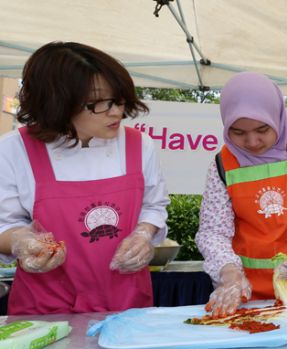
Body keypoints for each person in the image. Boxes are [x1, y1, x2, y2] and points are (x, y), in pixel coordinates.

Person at [0, 42, 169, 314]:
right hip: (45, 310)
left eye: (119, 99)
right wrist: (22, 241)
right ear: (57, 102)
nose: (117, 112)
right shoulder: (12, 150)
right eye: (99, 103)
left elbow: (154, 205)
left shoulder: (140, 145)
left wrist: (143, 234)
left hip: (125, 306)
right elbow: (3, 225)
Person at [195, 72, 287, 315]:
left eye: (262, 129)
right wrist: (230, 273)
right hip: (247, 292)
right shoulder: (222, 164)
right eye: (238, 132)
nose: (252, 141)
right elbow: (213, 231)